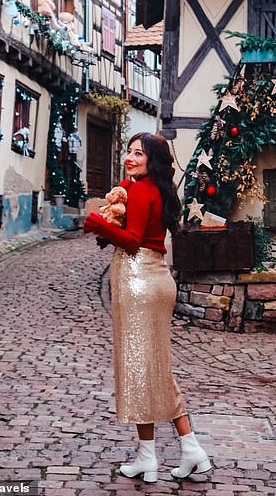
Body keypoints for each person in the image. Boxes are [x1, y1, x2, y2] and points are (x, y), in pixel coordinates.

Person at [83, 132, 211, 483]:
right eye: (128, 151)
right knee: (145, 368)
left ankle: (187, 448)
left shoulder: (140, 190)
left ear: (151, 160)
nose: (130, 157)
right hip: (151, 279)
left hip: (139, 281)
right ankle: (155, 455)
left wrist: (97, 222)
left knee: (146, 369)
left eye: (138, 154)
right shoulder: (153, 189)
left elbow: (133, 241)